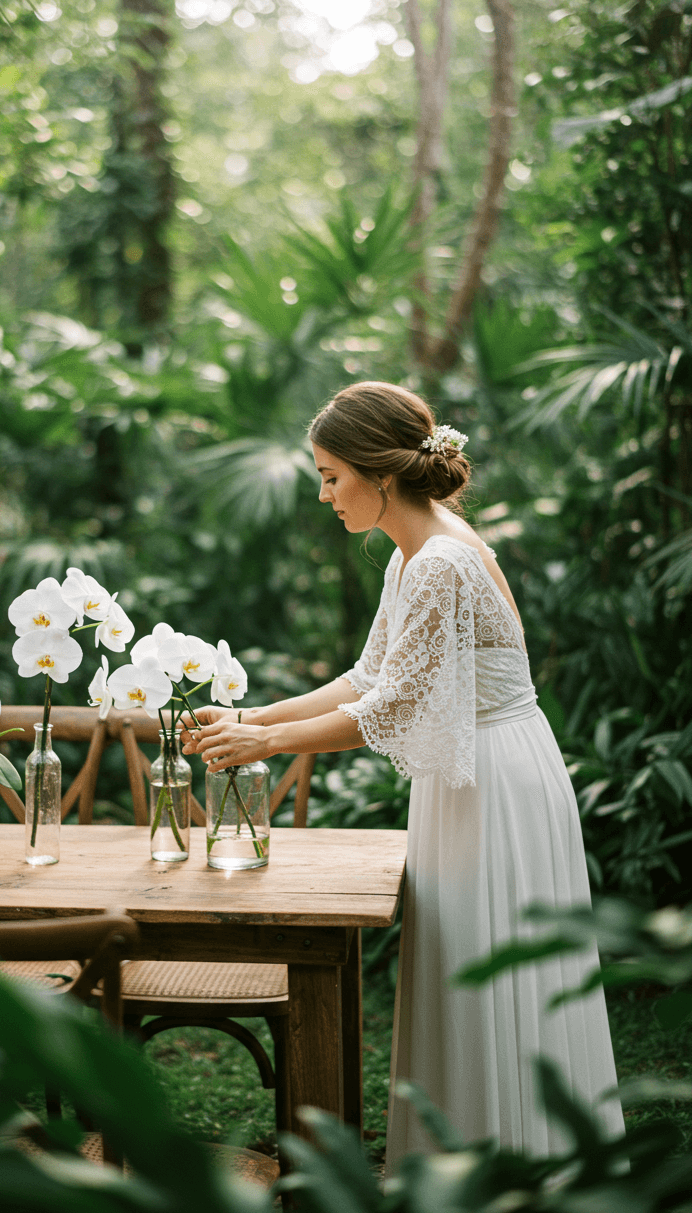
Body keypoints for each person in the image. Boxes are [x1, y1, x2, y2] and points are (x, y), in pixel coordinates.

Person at [182, 379, 624, 1166]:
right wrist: (255, 719)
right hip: (471, 778)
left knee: (495, 980)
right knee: (466, 979)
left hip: (497, 783)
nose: (324, 495)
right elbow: (366, 678)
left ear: (378, 473)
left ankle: (514, 1168)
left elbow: (390, 712)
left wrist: (267, 747)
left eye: (329, 475)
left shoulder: (439, 562)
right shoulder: (412, 554)